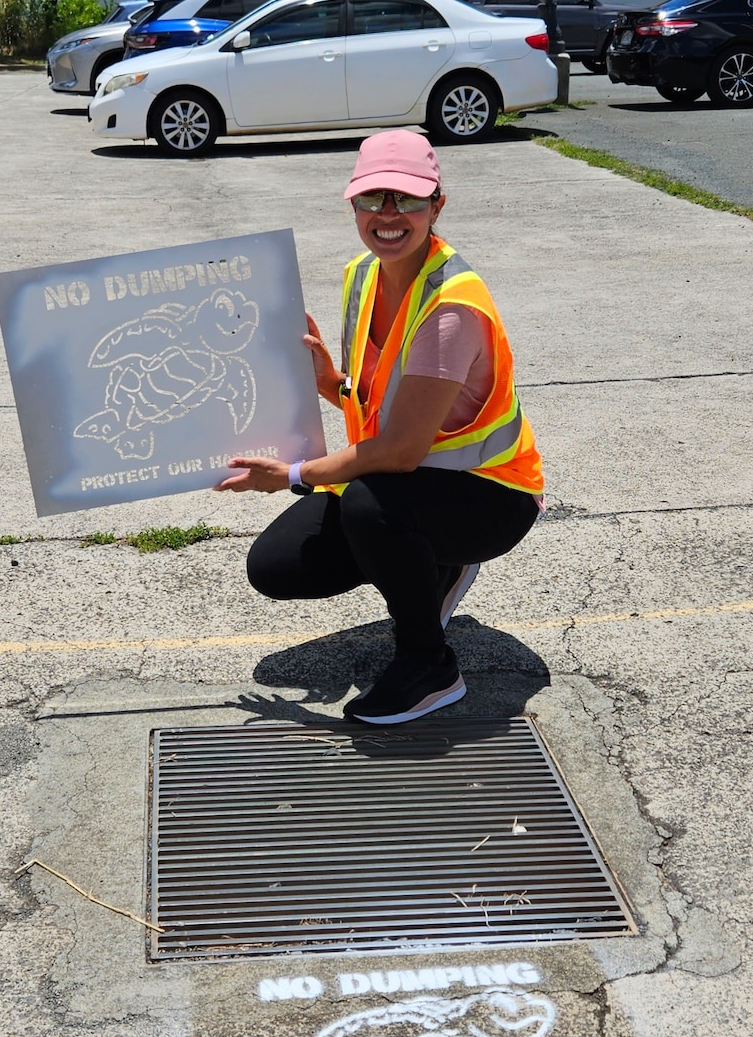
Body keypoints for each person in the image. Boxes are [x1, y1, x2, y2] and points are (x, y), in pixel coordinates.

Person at [216, 129, 544, 725]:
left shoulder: (451, 308)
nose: (388, 215)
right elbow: (385, 400)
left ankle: (429, 667)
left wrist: (292, 475)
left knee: (369, 506)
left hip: (491, 496)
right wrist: (331, 383)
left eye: (407, 200)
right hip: (415, 481)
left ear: (437, 205)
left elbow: (396, 450)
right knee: (278, 567)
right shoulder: (363, 276)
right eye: (372, 199)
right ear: (353, 204)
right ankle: (431, 567)